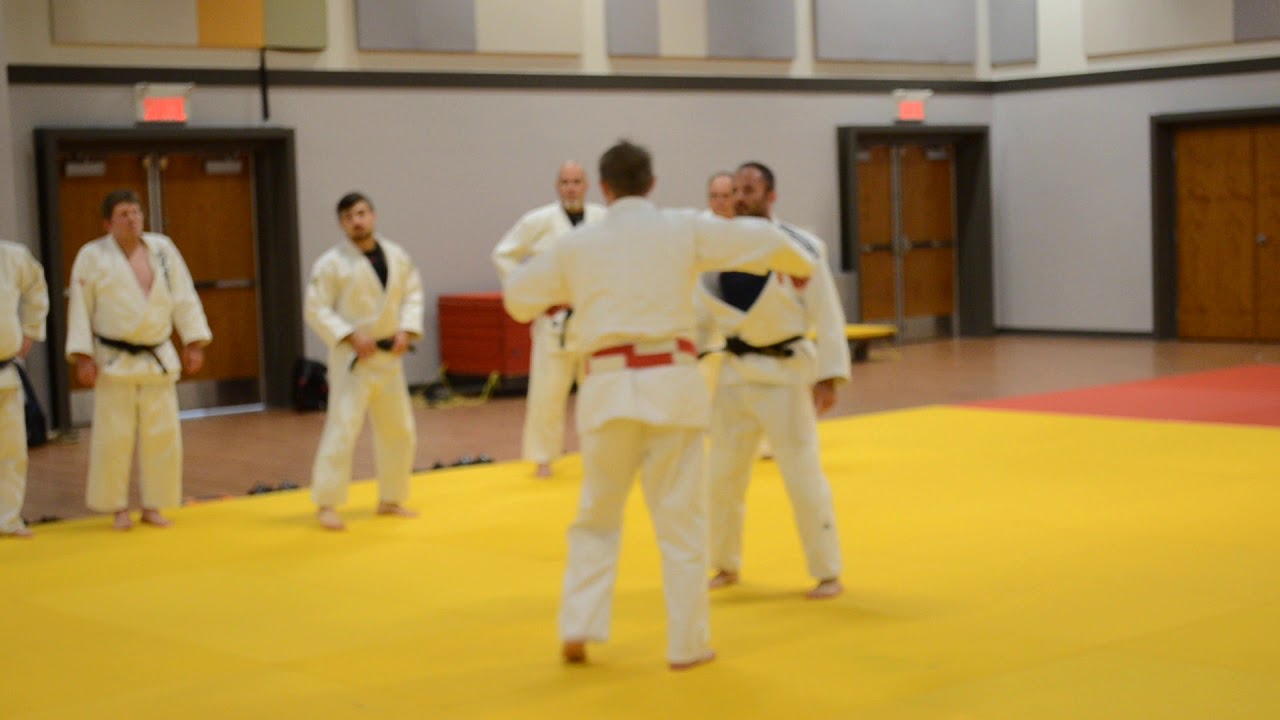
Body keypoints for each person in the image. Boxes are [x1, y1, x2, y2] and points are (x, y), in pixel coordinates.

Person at [501, 140, 816, 671]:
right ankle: (687, 645)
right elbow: (759, 237)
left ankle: (579, 624)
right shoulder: (683, 227)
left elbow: (516, 299)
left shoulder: (579, 244)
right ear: (651, 183)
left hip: (605, 386)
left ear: (604, 188)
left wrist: (561, 292)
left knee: (596, 516)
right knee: (681, 523)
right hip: (672, 382)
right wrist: (801, 261)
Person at [699, 161, 851, 600]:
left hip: (785, 373)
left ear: (771, 196)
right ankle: (725, 564)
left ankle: (828, 571)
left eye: (750, 189)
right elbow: (699, 315)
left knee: (803, 476)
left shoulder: (801, 247)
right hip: (732, 374)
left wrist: (829, 376)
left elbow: (826, 311)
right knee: (722, 479)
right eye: (736, 191)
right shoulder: (713, 250)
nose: (740, 197)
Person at [66, 190, 211, 531]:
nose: (132, 219)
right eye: (123, 214)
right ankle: (116, 506)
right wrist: (83, 356)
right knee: (113, 437)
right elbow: (80, 308)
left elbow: (184, 297)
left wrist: (194, 341)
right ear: (107, 223)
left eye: (136, 212)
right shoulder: (92, 255)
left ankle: (153, 504)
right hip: (113, 359)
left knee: (163, 435)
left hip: (156, 356)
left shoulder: (163, 249)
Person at [305, 192, 424, 531]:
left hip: (389, 358)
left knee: (399, 430)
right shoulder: (331, 263)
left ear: (372, 215)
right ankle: (326, 503)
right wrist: (349, 335)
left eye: (361, 214)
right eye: (348, 217)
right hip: (352, 359)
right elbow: (316, 308)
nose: (356, 221)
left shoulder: (397, 256)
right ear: (342, 224)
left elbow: (413, 293)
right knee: (342, 428)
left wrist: (407, 329)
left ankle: (391, 498)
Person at [492, 162, 606, 479]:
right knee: (547, 393)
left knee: (598, 392)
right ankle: (543, 457)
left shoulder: (603, 219)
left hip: (593, 318)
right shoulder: (538, 221)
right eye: (565, 182)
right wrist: (532, 295)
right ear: (558, 186)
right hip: (553, 318)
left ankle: (600, 454)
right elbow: (503, 254)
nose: (571, 187)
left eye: (577, 182)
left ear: (587, 186)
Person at [0, 240, 49, 538]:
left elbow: (36, 286)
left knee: (13, 450)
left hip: (6, 369)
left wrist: (30, 330)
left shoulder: (12, 255)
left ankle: (8, 518)